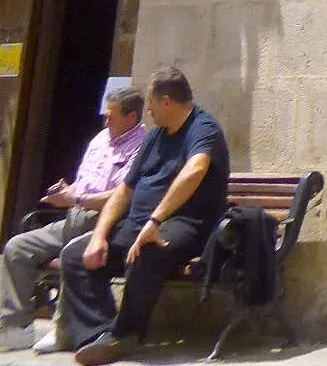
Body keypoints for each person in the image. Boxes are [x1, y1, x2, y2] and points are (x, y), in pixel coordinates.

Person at [58, 69, 229, 366]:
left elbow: (196, 170)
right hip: (137, 224)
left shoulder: (204, 127)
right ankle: (100, 333)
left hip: (186, 225)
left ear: (166, 101)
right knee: (75, 255)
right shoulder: (155, 138)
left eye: (149, 103)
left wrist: (155, 222)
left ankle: (127, 332)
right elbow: (124, 191)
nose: (146, 110)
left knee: (148, 251)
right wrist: (99, 235)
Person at [0, 85, 147, 355]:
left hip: (106, 222)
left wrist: (76, 199)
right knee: (17, 247)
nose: (106, 122)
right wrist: (67, 191)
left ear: (132, 117)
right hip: (74, 215)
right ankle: (15, 328)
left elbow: (121, 195)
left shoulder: (142, 147)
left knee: (73, 253)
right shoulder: (101, 139)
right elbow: (85, 182)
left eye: (112, 116)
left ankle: (63, 330)